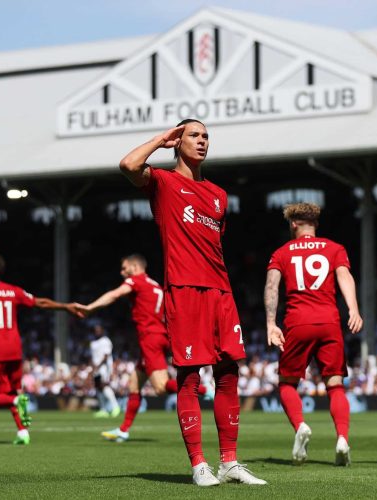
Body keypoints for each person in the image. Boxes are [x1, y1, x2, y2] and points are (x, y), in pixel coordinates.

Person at [118, 119, 266, 486]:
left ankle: (229, 462)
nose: (202, 142)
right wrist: (160, 139)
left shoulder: (218, 195)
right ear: (176, 142)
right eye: (194, 136)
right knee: (189, 376)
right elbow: (128, 165)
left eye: (205, 137)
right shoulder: (164, 183)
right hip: (184, 290)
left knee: (229, 372)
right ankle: (199, 464)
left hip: (220, 291)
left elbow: (213, 246)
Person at [264, 202, 363, 466]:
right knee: (335, 384)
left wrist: (271, 323)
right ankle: (342, 438)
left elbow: (272, 287)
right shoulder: (334, 248)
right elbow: (345, 276)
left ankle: (300, 426)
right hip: (330, 321)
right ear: (315, 224)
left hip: (298, 322)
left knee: (286, 383)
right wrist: (353, 309)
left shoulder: (281, 253)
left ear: (293, 224)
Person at [75, 254, 212, 441]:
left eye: (124, 268)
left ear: (134, 266)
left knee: (161, 388)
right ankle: (123, 430)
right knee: (134, 384)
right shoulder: (156, 285)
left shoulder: (135, 281)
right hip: (161, 335)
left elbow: (115, 294)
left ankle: (206, 390)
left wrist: (91, 307)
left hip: (150, 339)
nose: (122, 272)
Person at [0, 250, 78, 445]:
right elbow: (39, 302)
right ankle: (23, 432)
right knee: (14, 391)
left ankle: (16, 403)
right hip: (14, 349)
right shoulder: (14, 291)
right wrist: (65, 307)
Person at [90, 323, 121, 418]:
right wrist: (93, 366)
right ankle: (103, 409)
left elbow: (106, 356)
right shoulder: (93, 343)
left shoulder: (105, 341)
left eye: (99, 330)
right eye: (96, 330)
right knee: (98, 388)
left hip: (104, 367)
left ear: (102, 331)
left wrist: (98, 366)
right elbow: (93, 356)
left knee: (103, 386)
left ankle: (116, 407)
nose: (97, 332)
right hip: (96, 367)